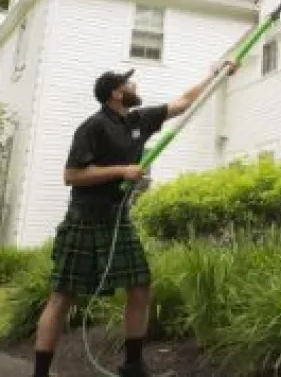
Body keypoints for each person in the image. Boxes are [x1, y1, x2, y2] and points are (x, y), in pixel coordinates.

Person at [32, 62, 237, 377]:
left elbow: (182, 102)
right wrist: (121, 171)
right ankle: (40, 373)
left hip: (117, 218)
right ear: (116, 93)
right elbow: (71, 175)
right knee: (62, 295)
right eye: (129, 85)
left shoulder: (139, 119)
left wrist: (216, 74)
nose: (135, 88)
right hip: (86, 218)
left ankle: (132, 364)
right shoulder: (94, 127)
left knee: (140, 285)